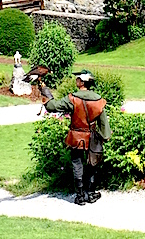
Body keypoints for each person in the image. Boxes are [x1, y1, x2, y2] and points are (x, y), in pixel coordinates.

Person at [40, 70, 111, 206]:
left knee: (77, 164)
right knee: (92, 164)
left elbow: (51, 106)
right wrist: (105, 136)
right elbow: (103, 123)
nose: (76, 80)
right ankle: (90, 193)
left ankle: (80, 196)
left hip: (76, 136)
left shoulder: (72, 99)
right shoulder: (98, 100)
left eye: (78, 78)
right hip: (92, 137)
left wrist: (44, 89)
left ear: (83, 82)